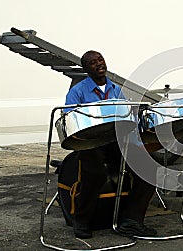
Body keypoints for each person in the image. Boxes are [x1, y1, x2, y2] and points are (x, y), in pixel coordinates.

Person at [64, 50, 157, 239]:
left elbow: (125, 118)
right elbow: (70, 121)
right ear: (86, 69)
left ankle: (130, 220)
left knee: (149, 168)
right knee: (95, 173)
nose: (99, 64)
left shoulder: (115, 89)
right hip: (91, 143)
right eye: (92, 62)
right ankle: (82, 221)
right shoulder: (78, 92)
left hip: (115, 142)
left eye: (100, 59)